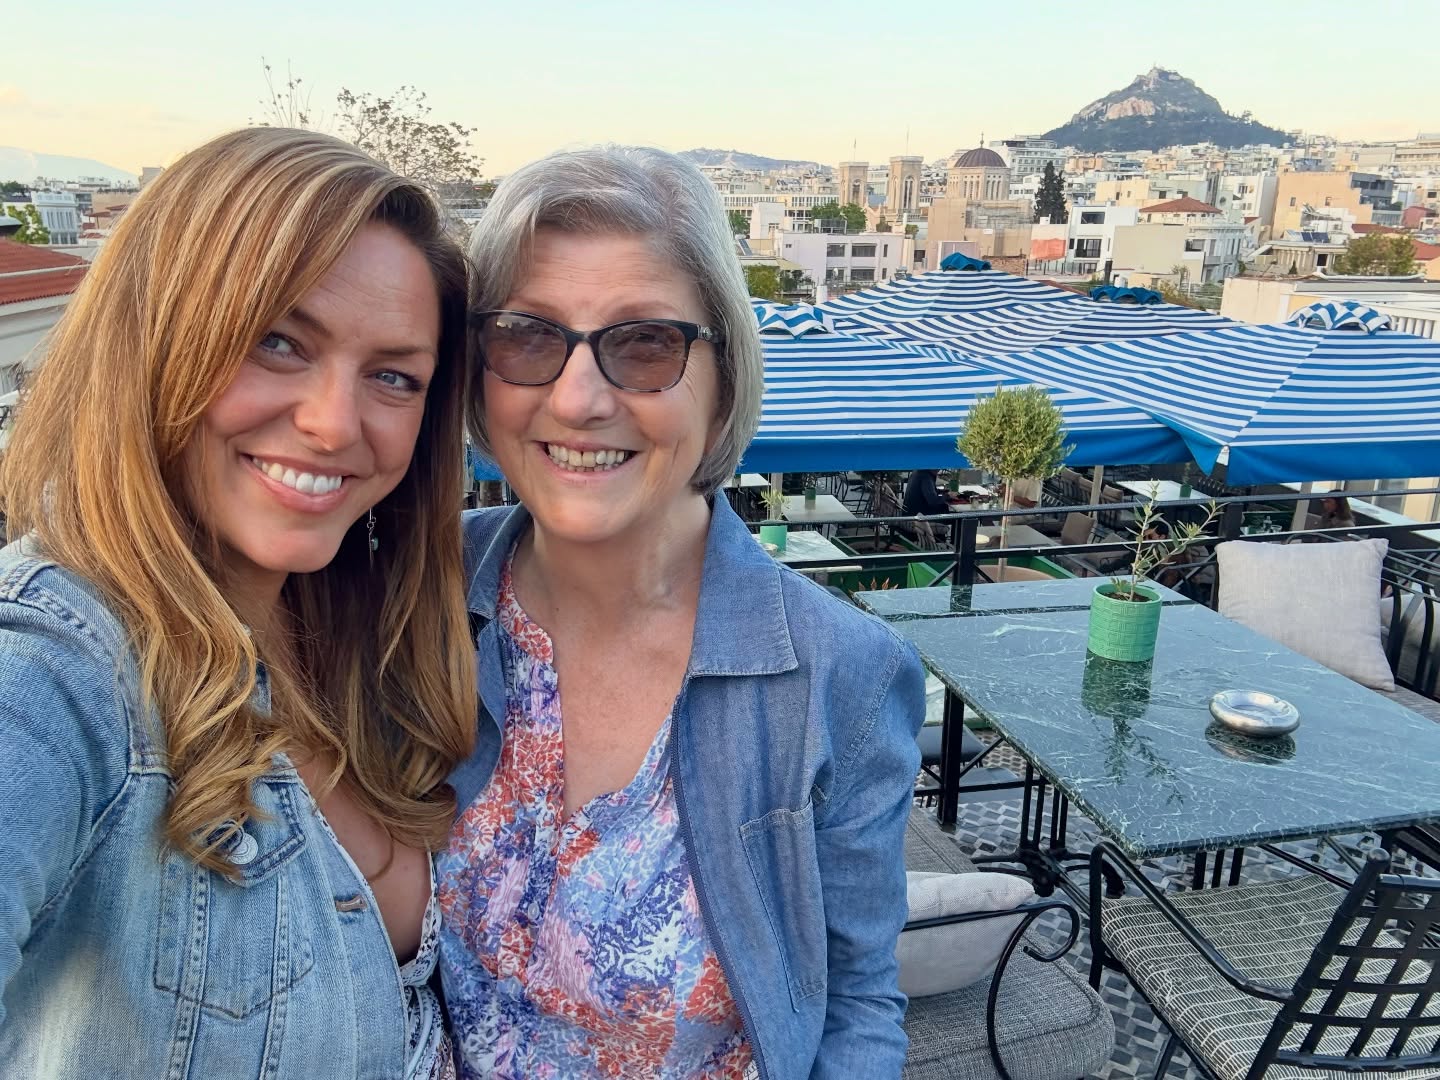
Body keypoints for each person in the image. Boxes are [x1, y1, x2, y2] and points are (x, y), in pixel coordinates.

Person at [439, 146, 926, 1079]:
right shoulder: (414, 598)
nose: (579, 399)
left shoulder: (841, 675)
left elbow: (857, 992)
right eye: (529, 336)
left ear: (725, 381)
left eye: (645, 345)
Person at [0, 128, 477, 1078]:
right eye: (277, 343)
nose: (335, 422)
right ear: (155, 341)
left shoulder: (362, 641)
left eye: (393, 375)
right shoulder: (57, 667)